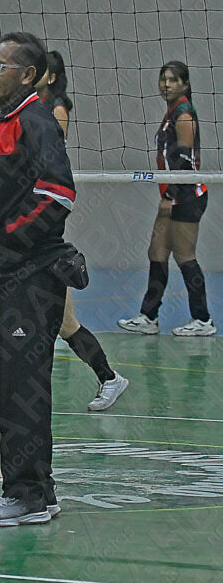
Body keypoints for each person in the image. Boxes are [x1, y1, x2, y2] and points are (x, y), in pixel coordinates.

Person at [0, 32, 76, 526]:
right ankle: (36, 491)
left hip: (30, 278)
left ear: (27, 75)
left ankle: (28, 494)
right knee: (10, 383)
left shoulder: (35, 121)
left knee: (22, 385)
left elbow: (58, 194)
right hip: (4, 279)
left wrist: (6, 244)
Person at [34, 50, 130, 411]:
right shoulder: (25, 110)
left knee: (64, 321)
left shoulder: (55, 110)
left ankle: (108, 377)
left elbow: (46, 159)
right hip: (25, 224)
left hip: (43, 222)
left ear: (51, 77)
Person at [118, 60, 214, 337]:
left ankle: (203, 320)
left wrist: (170, 195)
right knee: (157, 253)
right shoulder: (172, 112)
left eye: (173, 80)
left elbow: (184, 161)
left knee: (185, 256)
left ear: (185, 84)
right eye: (163, 79)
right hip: (172, 196)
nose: (166, 84)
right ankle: (149, 317)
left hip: (186, 196)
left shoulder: (184, 113)